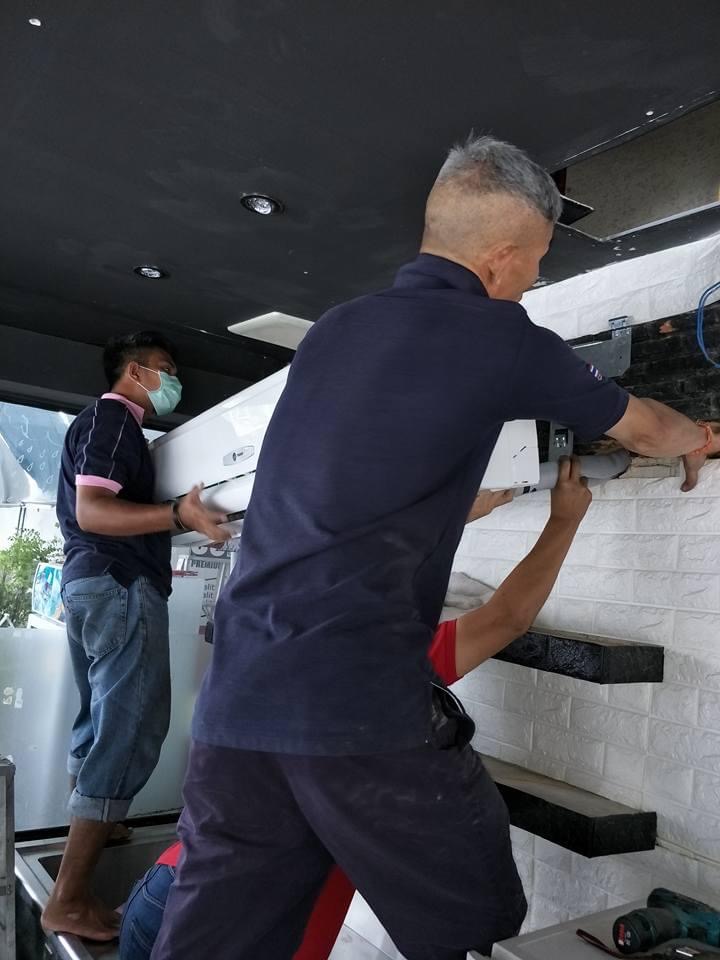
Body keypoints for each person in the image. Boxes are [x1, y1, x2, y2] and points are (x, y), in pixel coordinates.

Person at [152, 136, 720, 960]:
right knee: (474, 916)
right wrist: (697, 437)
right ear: (501, 258)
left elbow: (360, 480)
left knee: (218, 941)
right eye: (537, 262)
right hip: (356, 704)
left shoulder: (336, 331)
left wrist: (478, 501)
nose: (533, 280)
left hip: (237, 703)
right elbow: (644, 427)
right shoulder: (501, 335)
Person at [120, 463, 588, 960]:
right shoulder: (381, 676)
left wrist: (454, 511)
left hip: (165, 895)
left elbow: (351, 555)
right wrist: (564, 520)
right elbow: (506, 618)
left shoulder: (269, 650)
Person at [42, 331, 230, 941]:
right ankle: (69, 898)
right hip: (119, 583)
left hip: (91, 582)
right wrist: (178, 515)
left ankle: (104, 828)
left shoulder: (109, 429)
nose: (174, 381)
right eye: (166, 369)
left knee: (99, 718)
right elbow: (95, 510)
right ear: (135, 371)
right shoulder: (114, 419)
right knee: (132, 729)